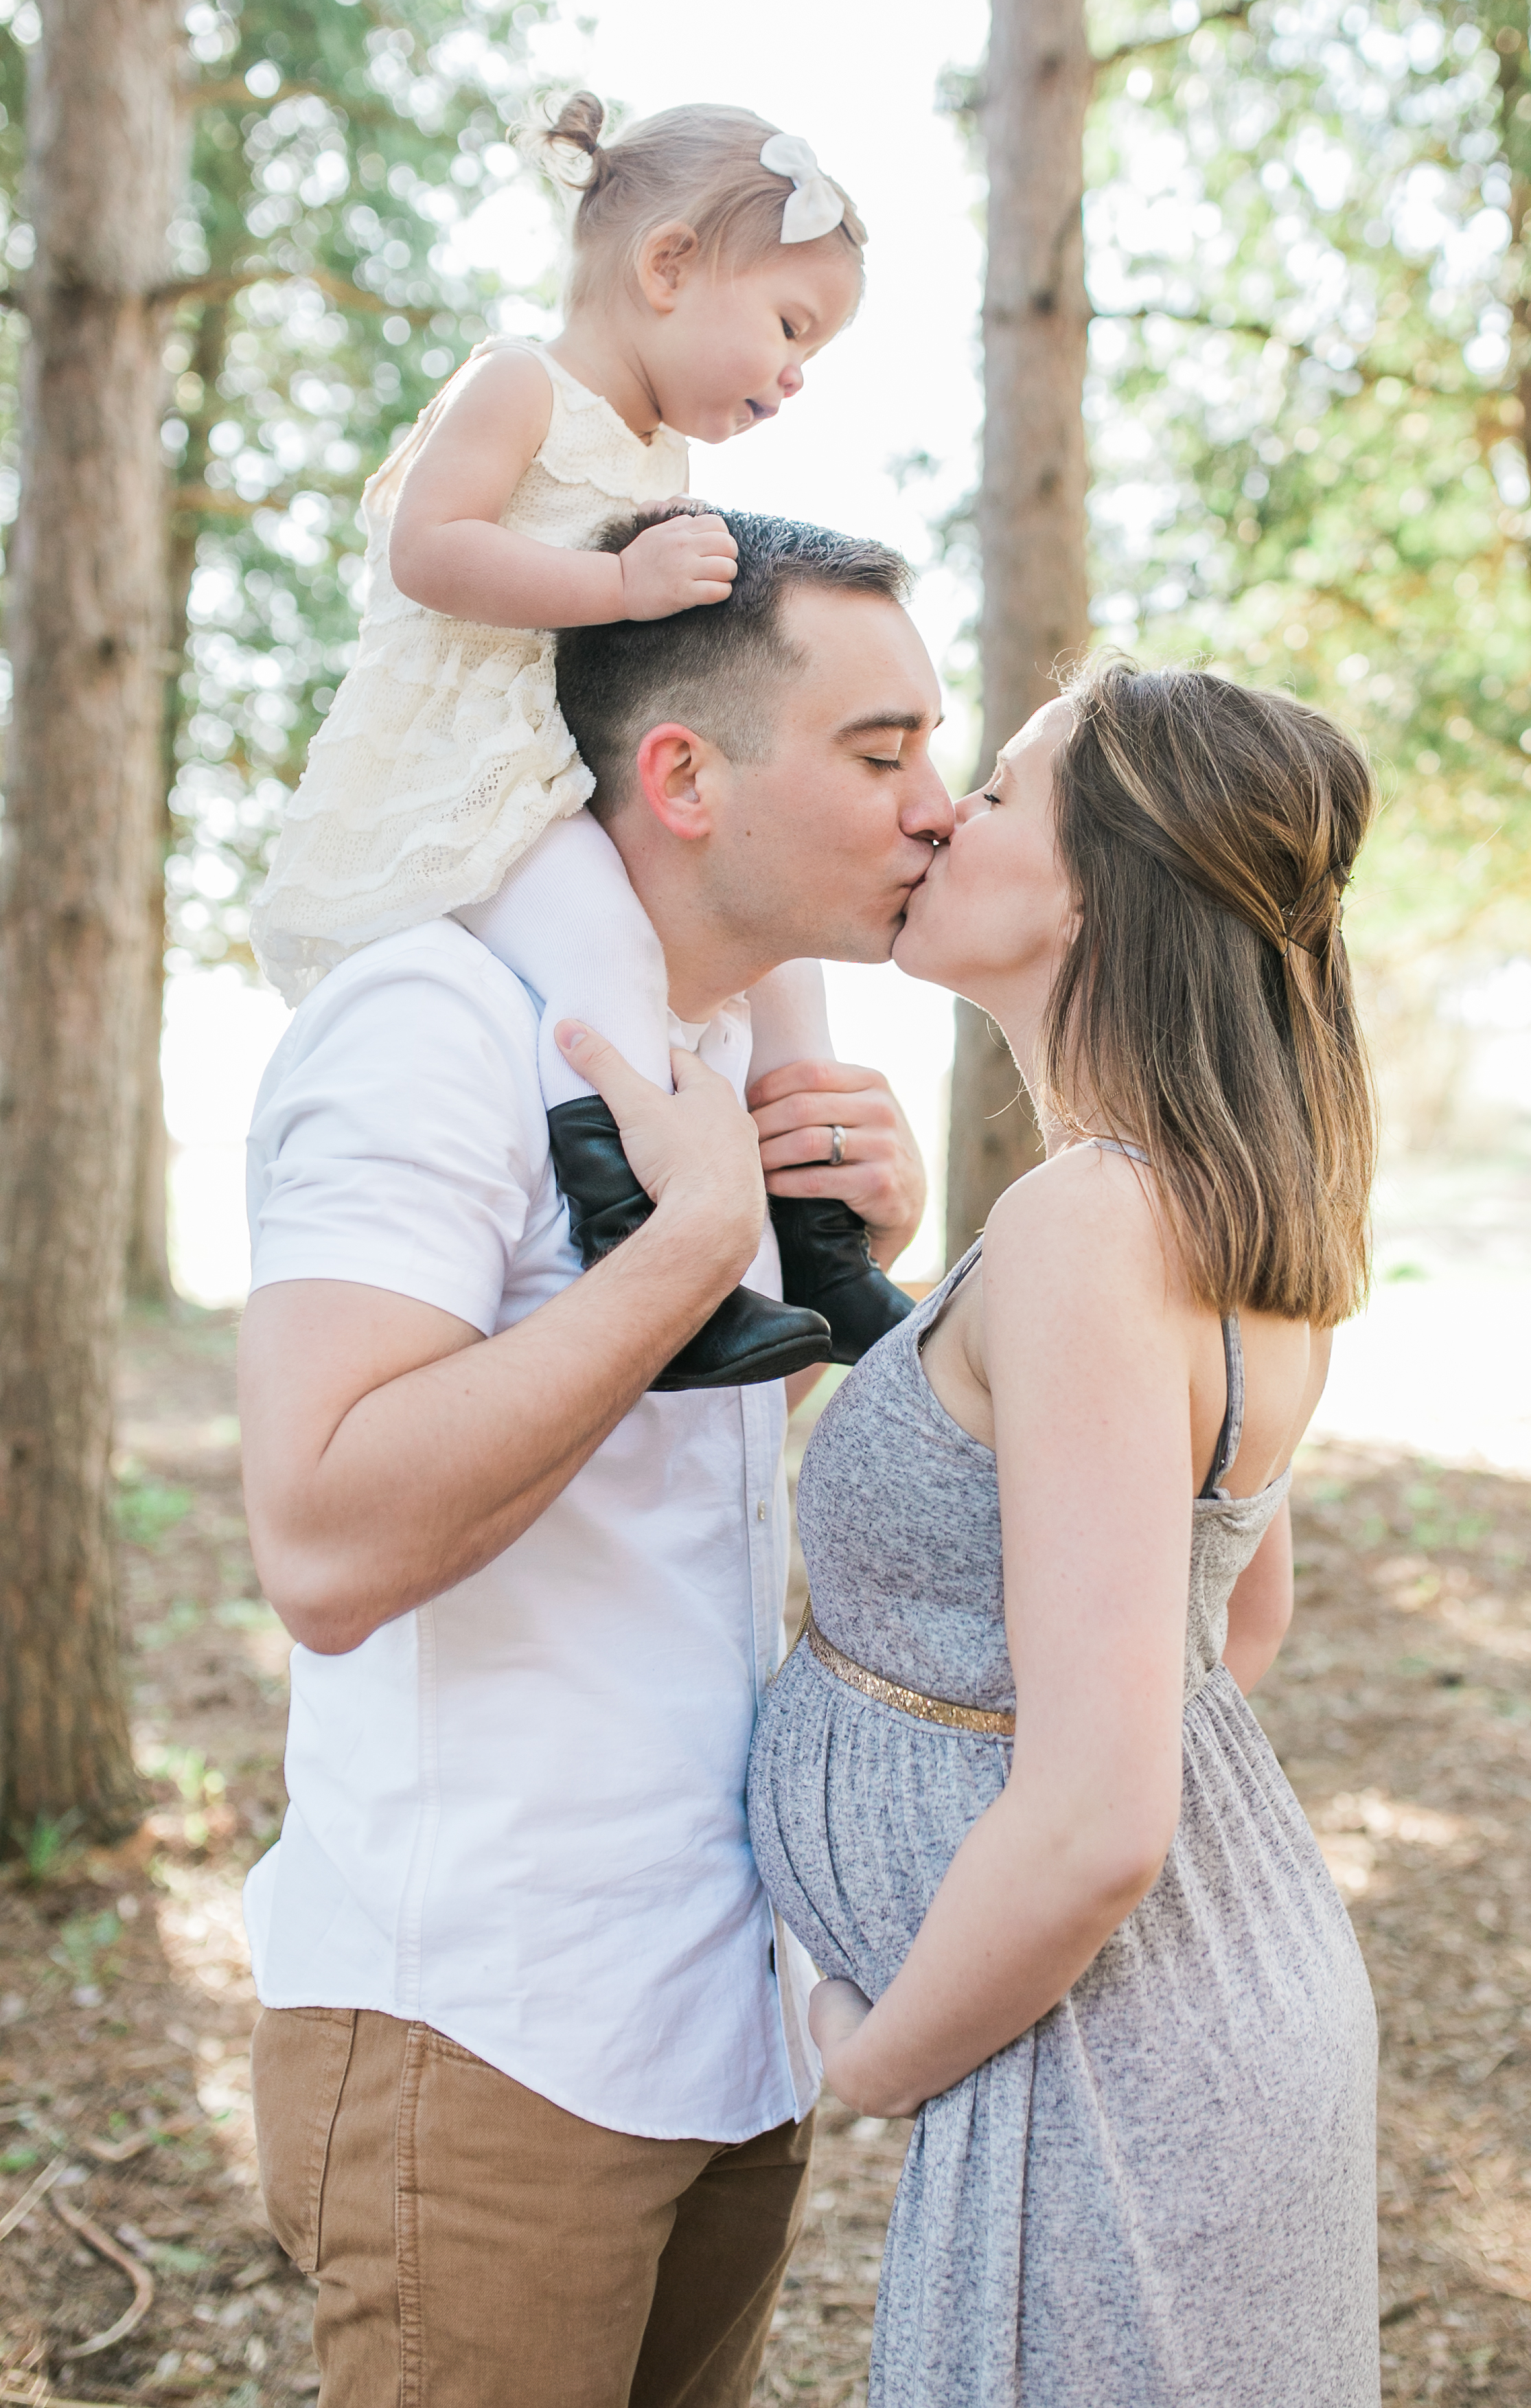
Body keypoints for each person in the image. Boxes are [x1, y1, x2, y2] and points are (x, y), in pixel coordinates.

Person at [238, 507, 949, 2408]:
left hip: (719, 2013)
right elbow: (319, 1536)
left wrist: (821, 1274)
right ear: (682, 772)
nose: (938, 807)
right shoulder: (429, 1026)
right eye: (883, 754)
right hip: (484, 2037)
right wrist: (677, 1261)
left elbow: (638, 1476)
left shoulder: (708, 1056)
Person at [748, 656, 1383, 2406]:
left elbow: (1104, 1810)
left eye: (1004, 788)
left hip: (1112, 2062)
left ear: (1108, 881)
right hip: (1204, 2014)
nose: (945, 807)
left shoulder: (1090, 1220)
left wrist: (876, 2055)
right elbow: (1223, 1633)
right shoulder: (1219, 1201)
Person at [249, 93, 913, 1388]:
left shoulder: (663, 451)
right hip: (480, 765)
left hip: (582, 756)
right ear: (666, 267)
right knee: (602, 952)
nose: (793, 376)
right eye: (788, 329)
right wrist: (618, 591)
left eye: (812, 354)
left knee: (782, 960)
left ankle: (816, 1231)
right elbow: (427, 551)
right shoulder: (520, 384)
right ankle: (636, 1235)